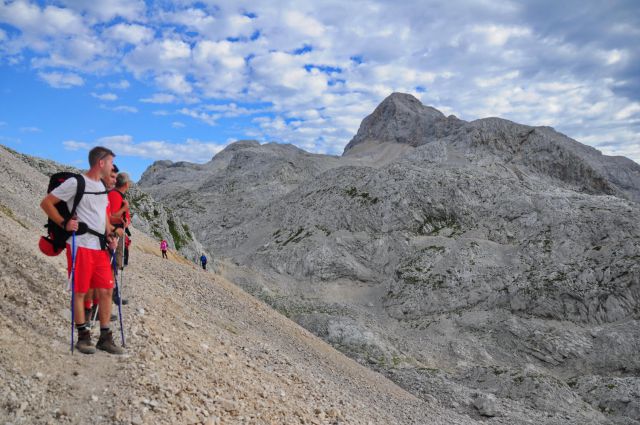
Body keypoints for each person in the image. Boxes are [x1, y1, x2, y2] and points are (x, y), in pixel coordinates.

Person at [40, 146, 124, 355]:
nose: (113, 167)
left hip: (98, 247)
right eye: (111, 163)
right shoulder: (76, 182)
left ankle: (104, 337)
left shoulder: (102, 188)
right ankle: (83, 337)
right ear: (101, 163)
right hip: (80, 245)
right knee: (79, 292)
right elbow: (47, 203)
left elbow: (102, 216)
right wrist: (64, 223)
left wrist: (110, 234)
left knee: (106, 290)